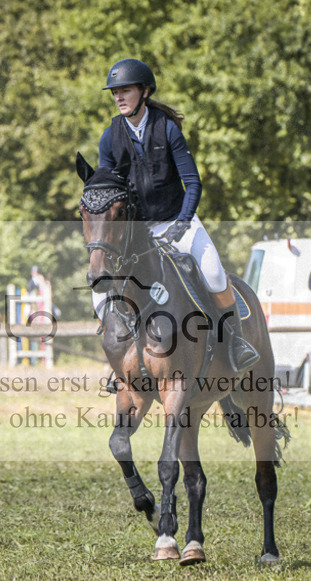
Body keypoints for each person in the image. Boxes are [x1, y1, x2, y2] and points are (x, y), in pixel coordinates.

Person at [92, 58, 258, 372]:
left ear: (144, 91)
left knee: (213, 272)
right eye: (115, 92)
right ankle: (119, 360)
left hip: (177, 220)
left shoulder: (165, 128)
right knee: (100, 283)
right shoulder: (109, 137)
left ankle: (234, 340)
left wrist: (182, 222)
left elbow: (192, 182)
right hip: (137, 232)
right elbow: (108, 190)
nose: (118, 97)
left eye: (125, 90)